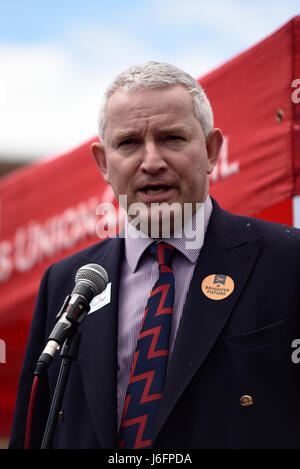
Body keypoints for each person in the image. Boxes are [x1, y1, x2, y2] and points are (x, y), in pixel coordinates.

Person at [9, 61, 300, 449]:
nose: (151, 161)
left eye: (172, 139)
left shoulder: (289, 259)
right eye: (128, 143)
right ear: (103, 163)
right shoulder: (65, 281)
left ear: (212, 150)